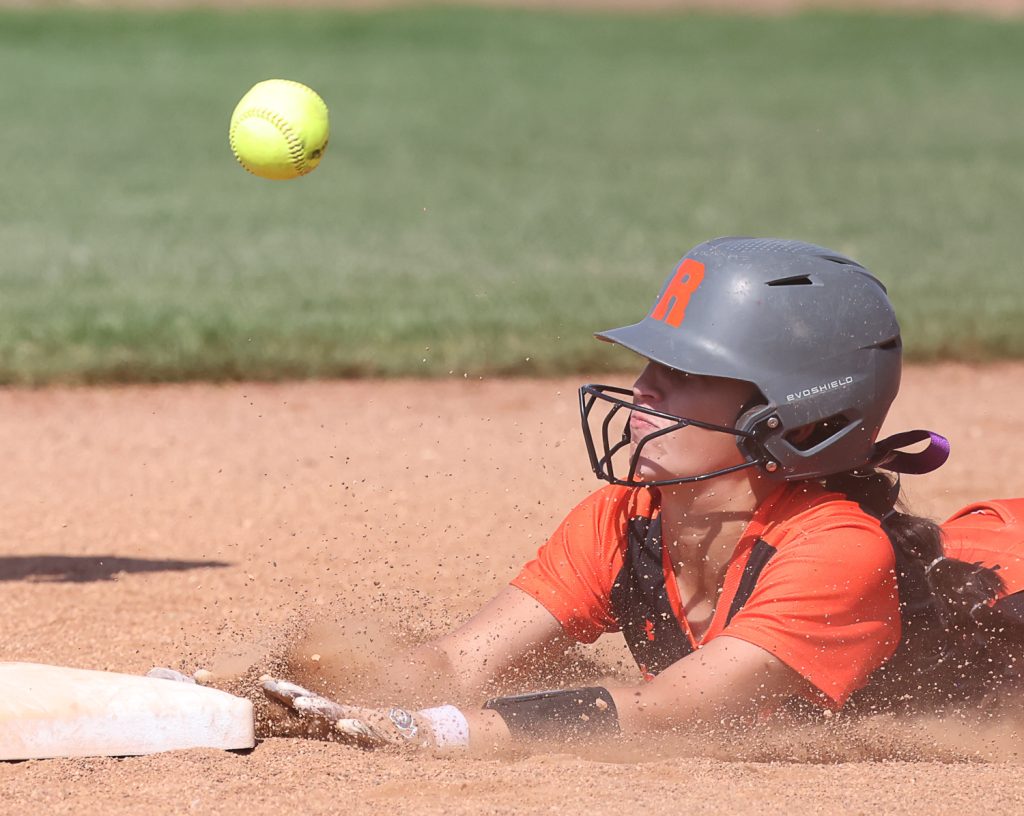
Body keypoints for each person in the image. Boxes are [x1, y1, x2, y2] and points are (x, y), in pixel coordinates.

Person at [260, 237, 1023, 751]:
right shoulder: (626, 519)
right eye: (652, 365)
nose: (643, 391)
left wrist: (435, 732)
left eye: (685, 374)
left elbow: (662, 714)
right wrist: (291, 688)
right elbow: (461, 666)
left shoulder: (838, 553)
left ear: (794, 413)